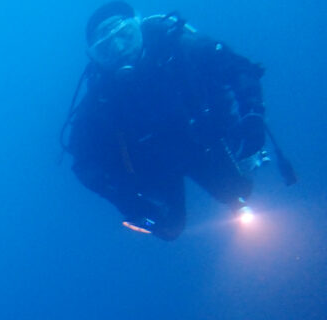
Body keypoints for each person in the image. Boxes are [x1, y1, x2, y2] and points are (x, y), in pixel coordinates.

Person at [63, 2, 291, 240]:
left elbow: (239, 68)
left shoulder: (180, 47)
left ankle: (245, 171)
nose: (119, 48)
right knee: (166, 228)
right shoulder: (100, 97)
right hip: (155, 166)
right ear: (97, 58)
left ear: (139, 27)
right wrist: (123, 200)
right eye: (106, 48)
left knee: (240, 192)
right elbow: (83, 162)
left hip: (203, 140)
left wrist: (253, 115)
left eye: (125, 35)